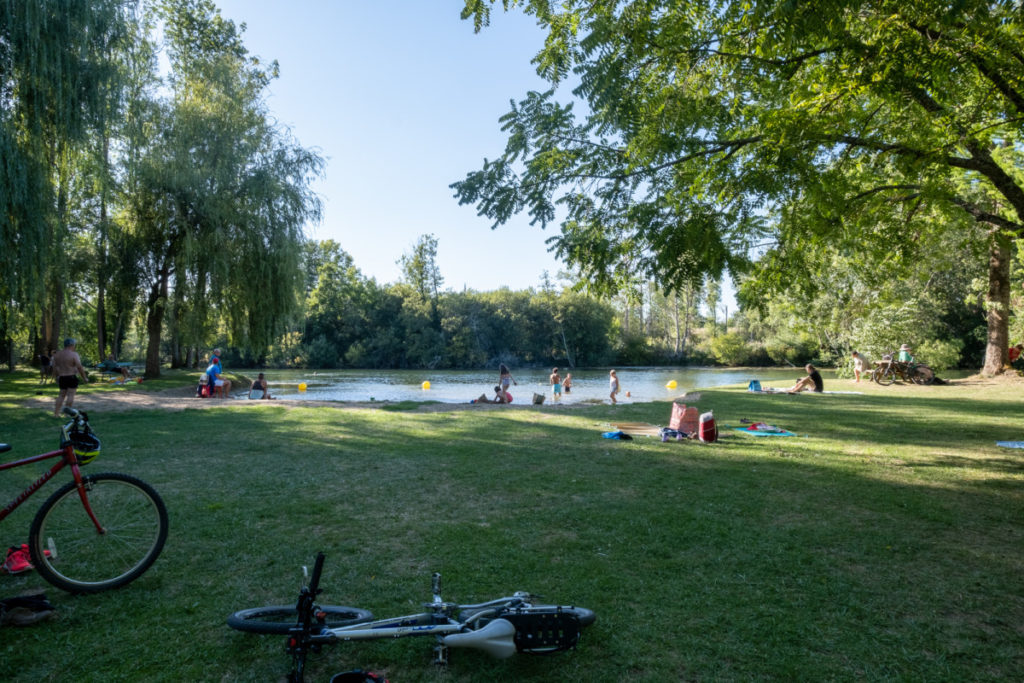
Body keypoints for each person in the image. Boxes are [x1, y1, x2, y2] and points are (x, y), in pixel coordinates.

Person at [52, 338, 89, 417]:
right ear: (71, 345)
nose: (74, 346)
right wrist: (84, 377)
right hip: (71, 376)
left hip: (62, 377)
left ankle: (56, 413)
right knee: (70, 395)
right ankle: (66, 414)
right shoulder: (73, 354)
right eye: (74, 345)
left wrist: (56, 377)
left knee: (61, 395)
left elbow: (55, 367)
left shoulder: (57, 354)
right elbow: (79, 367)